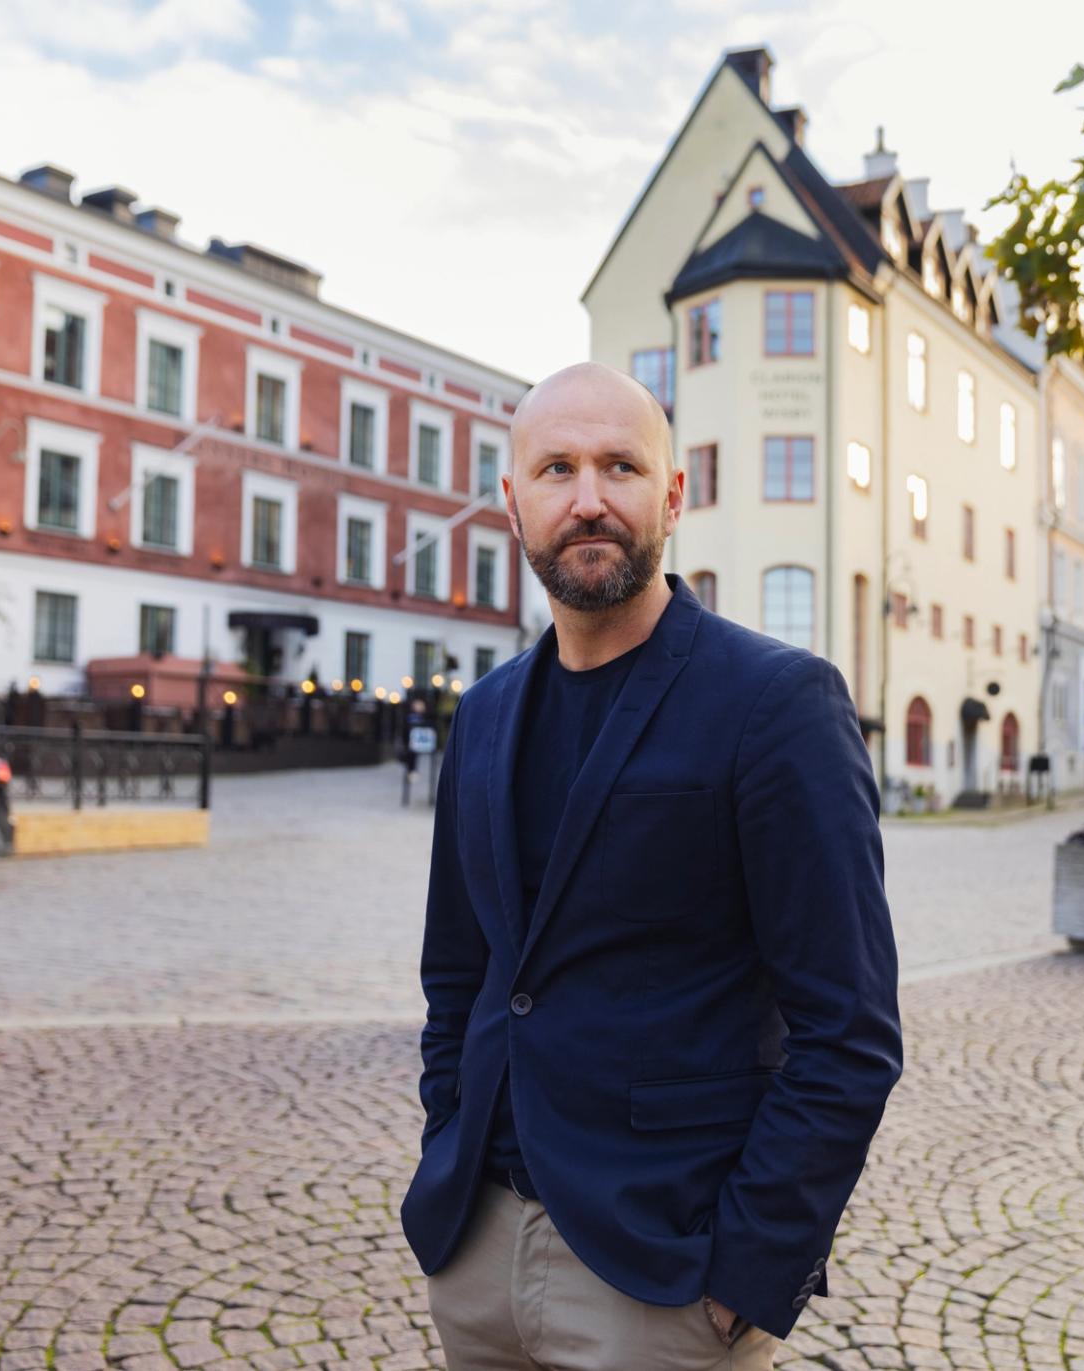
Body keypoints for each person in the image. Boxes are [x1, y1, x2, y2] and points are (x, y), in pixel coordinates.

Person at [400, 363, 904, 1368]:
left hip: (662, 1278)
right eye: (557, 470)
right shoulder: (487, 713)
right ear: (515, 503)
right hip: (476, 1250)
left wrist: (749, 1270)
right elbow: (460, 972)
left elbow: (849, 1030)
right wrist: (447, 1143)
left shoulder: (777, 703)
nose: (588, 498)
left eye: (620, 466)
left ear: (671, 496)